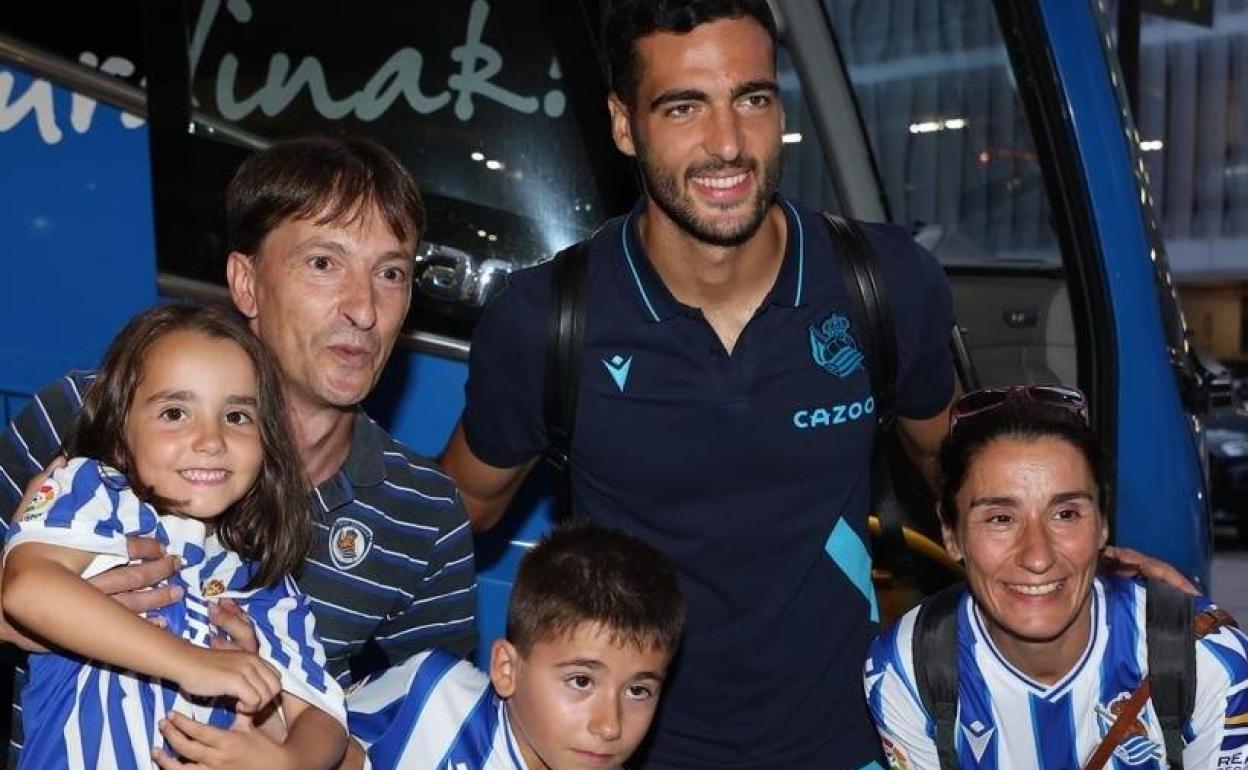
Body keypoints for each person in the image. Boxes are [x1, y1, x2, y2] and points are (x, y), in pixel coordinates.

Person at [440, 2, 956, 767]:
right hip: (630, 753)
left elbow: (969, 482)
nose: (727, 144)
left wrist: (1093, 570)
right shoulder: (548, 319)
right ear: (624, 124)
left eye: (752, 99)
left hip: (850, 745)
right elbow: (450, 512)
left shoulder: (882, 286)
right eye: (684, 107)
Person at [0, 135, 475, 770]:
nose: (364, 309)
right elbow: (28, 588)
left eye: (390, 273)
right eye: (323, 263)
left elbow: (431, 738)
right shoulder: (93, 416)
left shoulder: (423, 512)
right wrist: (59, 611)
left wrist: (289, 744)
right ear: (246, 283)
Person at [3, 303, 347, 770]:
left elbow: (324, 718)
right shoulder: (94, 493)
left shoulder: (263, 583)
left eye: (237, 416)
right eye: (174, 412)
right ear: (120, 431)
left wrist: (285, 762)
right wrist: (191, 662)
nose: (210, 440)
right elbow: (28, 590)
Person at [864, 387, 1248, 768]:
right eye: (1001, 519)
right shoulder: (908, 668)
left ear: (1102, 523)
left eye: (1065, 514)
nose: (1037, 556)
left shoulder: (1206, 663)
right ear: (951, 534)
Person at [348, 523, 685, 770]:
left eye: (638, 690)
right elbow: (314, 727)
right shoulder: (434, 693)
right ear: (507, 668)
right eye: (581, 681)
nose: (610, 725)